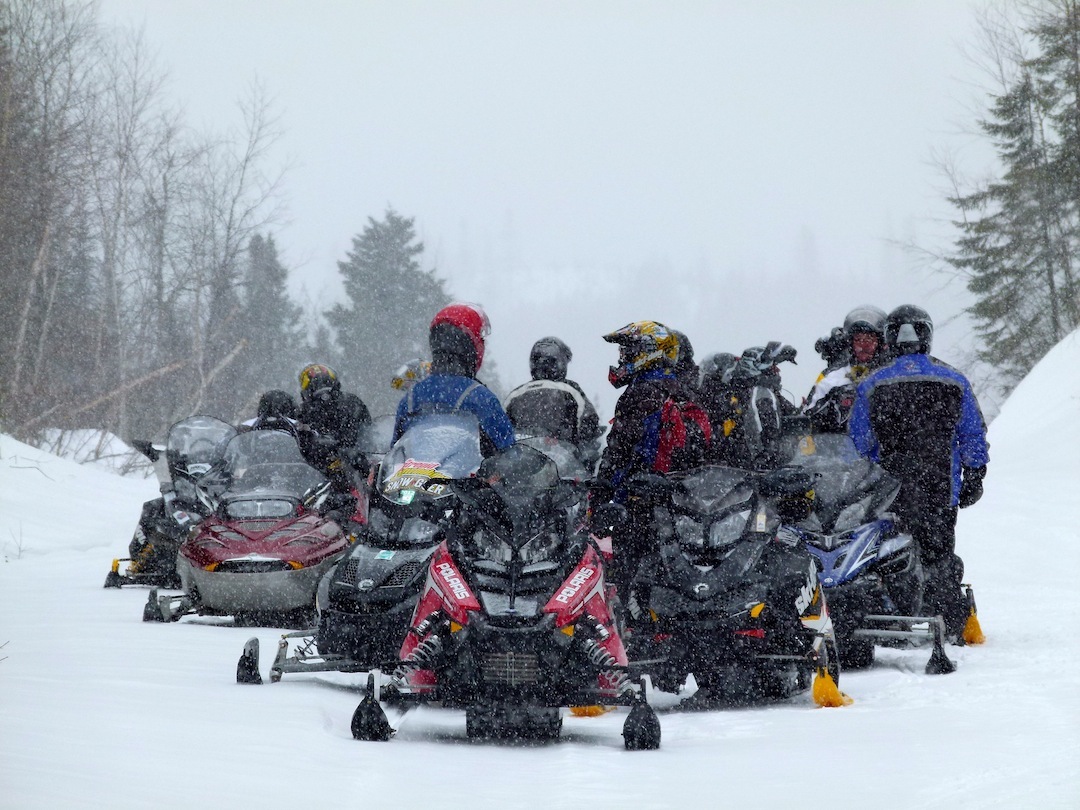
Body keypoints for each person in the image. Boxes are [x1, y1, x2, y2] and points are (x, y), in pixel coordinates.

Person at [848, 305, 989, 643]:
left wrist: (866, 477)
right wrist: (974, 472)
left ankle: (897, 617)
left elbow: (859, 443)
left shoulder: (872, 384)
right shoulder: (953, 379)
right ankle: (948, 617)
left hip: (891, 489)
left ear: (889, 338)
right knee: (939, 552)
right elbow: (972, 432)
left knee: (893, 553)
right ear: (926, 335)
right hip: (941, 486)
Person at [595, 321, 709, 594]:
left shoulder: (640, 392)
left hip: (640, 506)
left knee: (626, 581)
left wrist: (600, 495)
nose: (623, 358)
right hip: (683, 505)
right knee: (670, 578)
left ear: (649, 351)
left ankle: (631, 629)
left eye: (628, 351)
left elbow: (619, 452)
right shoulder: (681, 390)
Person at [393, 302, 514, 457]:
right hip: (463, 480)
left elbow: (395, 454)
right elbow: (510, 455)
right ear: (473, 347)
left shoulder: (410, 398)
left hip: (413, 480)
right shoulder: (481, 398)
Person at [502, 336, 603, 467]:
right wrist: (586, 458)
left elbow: (500, 428)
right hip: (561, 467)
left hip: (521, 466)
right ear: (561, 362)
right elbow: (589, 423)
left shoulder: (516, 394)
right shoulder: (571, 391)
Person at [295, 363, 373, 524]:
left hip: (339, 475)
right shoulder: (352, 402)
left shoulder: (304, 411)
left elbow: (369, 436)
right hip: (336, 475)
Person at [706, 342, 796, 469]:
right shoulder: (759, 394)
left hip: (741, 467)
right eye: (773, 366)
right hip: (750, 467)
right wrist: (767, 453)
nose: (778, 371)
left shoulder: (769, 395)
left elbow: (796, 418)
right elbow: (766, 432)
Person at [802, 305, 888, 433]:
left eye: (869, 339)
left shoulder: (891, 375)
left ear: (881, 342)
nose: (863, 345)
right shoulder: (833, 377)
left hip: (885, 450)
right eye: (858, 340)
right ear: (850, 342)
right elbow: (806, 419)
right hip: (839, 450)